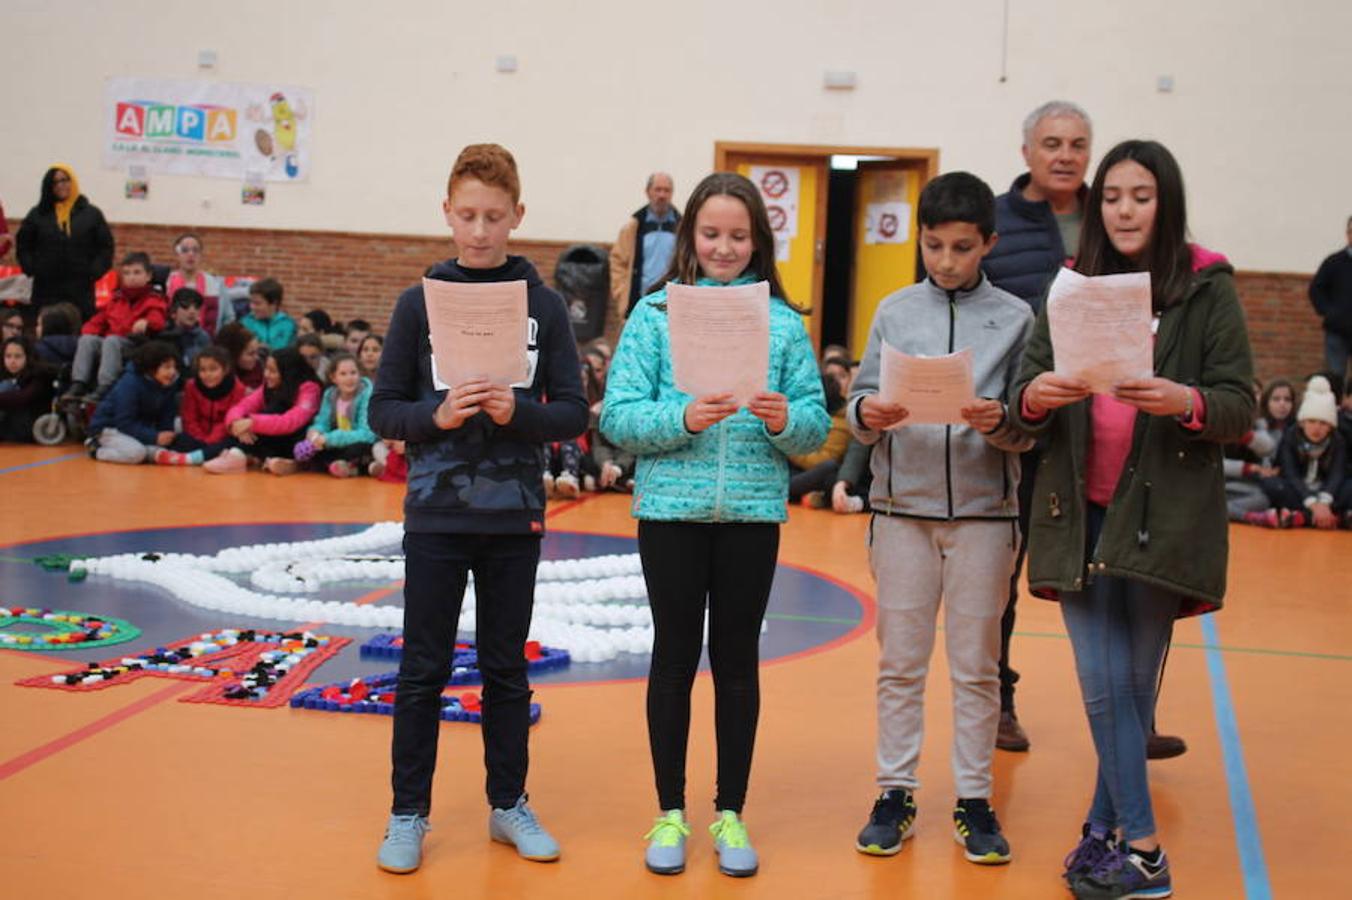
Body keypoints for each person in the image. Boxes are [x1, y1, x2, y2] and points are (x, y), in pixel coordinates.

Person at [1009, 139, 1254, 899]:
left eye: (1140, 196)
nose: (1122, 209)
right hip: (1074, 511)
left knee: (1129, 689)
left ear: (1165, 201)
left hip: (1163, 517)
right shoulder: (1073, 284)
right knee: (1102, 683)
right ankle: (1137, 845)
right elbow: (1025, 388)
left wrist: (1185, 402)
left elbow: (1238, 406)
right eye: (1111, 195)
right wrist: (1039, 395)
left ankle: (1106, 837)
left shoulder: (1207, 287)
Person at [601, 172, 830, 879]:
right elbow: (616, 417)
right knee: (673, 659)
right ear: (688, 239)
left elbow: (817, 428)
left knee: (736, 665)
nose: (724, 248)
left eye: (738, 235)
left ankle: (731, 812)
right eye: (711, 234)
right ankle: (669, 812)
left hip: (752, 517)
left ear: (757, 240)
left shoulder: (785, 325)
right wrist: (682, 418)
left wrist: (785, 419)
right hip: (669, 514)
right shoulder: (654, 315)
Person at [367, 143, 588, 874]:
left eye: (495, 217)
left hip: (513, 517)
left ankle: (508, 804)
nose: (481, 230)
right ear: (447, 214)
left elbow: (573, 415)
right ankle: (407, 815)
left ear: (517, 217)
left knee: (505, 669)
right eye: (467, 215)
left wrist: (517, 410)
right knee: (423, 670)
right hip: (434, 515)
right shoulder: (415, 305)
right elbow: (383, 412)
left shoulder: (546, 307)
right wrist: (439, 415)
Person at [847, 172, 1033, 866]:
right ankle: (894, 792)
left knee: (977, 668)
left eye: (961, 247)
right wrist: (870, 414)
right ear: (919, 240)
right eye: (933, 246)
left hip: (986, 518)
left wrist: (1003, 423)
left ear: (989, 242)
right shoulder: (894, 311)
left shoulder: (1015, 318)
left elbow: (1031, 428)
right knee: (900, 663)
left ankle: (976, 800)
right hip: (901, 513)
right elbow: (859, 406)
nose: (946, 261)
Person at [981, 100, 1094, 753]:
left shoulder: (1109, 221)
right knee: (1003, 577)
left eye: (1077, 144)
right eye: (1051, 142)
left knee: (1114, 573)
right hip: (1018, 434)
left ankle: (1132, 707)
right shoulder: (996, 223)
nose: (1064, 155)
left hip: (1099, 434)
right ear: (1026, 151)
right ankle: (998, 699)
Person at [15, 165, 114, 319]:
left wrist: (93, 272)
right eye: (55, 182)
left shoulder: (91, 214)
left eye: (65, 180)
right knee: (47, 330)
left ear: (72, 181)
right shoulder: (37, 214)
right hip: (46, 288)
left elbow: (106, 247)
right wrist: (32, 268)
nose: (61, 185)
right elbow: (23, 245)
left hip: (80, 289)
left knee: (79, 332)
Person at [66, 252, 168, 401]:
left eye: (137, 272)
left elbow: (158, 320)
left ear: (148, 276)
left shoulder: (154, 299)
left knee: (111, 341)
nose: (131, 277)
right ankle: (78, 383)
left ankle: (105, 385)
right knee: (87, 340)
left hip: (135, 343)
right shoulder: (116, 299)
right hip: (111, 342)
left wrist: (147, 323)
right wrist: (88, 332)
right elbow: (98, 321)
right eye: (127, 273)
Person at [205, 347, 321, 475]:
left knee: (275, 409)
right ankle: (239, 455)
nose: (266, 374)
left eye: (273, 371)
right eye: (266, 369)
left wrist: (252, 423)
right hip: (275, 441)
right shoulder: (270, 386)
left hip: (298, 440)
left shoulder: (309, 389)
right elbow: (242, 406)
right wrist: (235, 422)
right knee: (247, 425)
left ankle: (237, 455)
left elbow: (290, 422)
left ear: (288, 372)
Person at [1257, 375, 1350, 528]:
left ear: (1331, 426)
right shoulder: (1291, 437)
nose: (1317, 428)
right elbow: (1290, 473)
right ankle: (1332, 518)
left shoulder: (1338, 440)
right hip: (1299, 492)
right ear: (1302, 422)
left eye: (1323, 423)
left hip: (1328, 493)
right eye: (1312, 421)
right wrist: (1313, 504)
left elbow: (1337, 473)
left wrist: (1324, 502)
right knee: (1272, 485)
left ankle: (1304, 517)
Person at [84, 340, 180, 464]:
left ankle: (148, 449)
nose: (172, 372)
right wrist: (154, 437)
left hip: (141, 425)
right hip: (110, 427)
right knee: (136, 454)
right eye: (167, 367)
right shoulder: (130, 383)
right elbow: (124, 422)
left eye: (174, 367)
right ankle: (96, 449)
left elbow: (168, 413)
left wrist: (167, 435)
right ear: (151, 368)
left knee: (179, 424)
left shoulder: (168, 383)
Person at [609, 172, 681, 328]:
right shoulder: (633, 228)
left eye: (667, 190)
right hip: (639, 305)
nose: (662, 195)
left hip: (672, 307)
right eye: (658, 189)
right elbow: (617, 261)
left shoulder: (682, 228)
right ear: (648, 192)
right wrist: (622, 295)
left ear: (672, 194)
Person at [153, 345, 245, 466]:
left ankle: (191, 458)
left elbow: (230, 421)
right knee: (180, 440)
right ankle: (208, 455)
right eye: (202, 370)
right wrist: (201, 438)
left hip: (223, 436)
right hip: (197, 437)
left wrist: (211, 440)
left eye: (213, 369)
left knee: (235, 442)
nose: (207, 374)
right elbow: (189, 418)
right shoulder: (191, 386)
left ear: (226, 369)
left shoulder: (237, 388)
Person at [298, 352, 376, 477]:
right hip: (336, 442)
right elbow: (323, 422)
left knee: (360, 449)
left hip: (357, 441)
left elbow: (367, 434)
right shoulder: (330, 395)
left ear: (359, 374)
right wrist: (315, 432)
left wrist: (329, 439)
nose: (349, 378)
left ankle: (351, 468)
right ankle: (338, 465)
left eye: (353, 373)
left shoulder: (367, 394)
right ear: (333, 378)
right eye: (343, 374)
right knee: (308, 441)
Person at [1224, 379, 1282, 522]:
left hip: (1246, 485)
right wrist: (1248, 468)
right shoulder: (1219, 423)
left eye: (1255, 393)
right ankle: (1252, 517)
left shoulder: (1260, 423)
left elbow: (1268, 448)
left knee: (1264, 498)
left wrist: (1243, 433)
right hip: (1219, 482)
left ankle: (1227, 512)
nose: (1251, 397)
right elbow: (1216, 463)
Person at [1309, 216, 1352, 384]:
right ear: (1347, 234)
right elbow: (1316, 289)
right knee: (1335, 377)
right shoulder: (1333, 262)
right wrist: (1329, 312)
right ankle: (1336, 409)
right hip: (1337, 331)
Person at [164, 233, 234, 336]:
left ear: (201, 255)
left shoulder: (216, 285)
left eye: (195, 250)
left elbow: (228, 318)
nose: (190, 254)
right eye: (184, 250)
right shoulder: (166, 283)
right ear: (176, 255)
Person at [0, 337, 54, 442]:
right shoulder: (6, 374)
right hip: (11, 422)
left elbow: (23, 397)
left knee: (7, 386)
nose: (12, 361)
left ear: (28, 357)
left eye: (18, 356)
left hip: (28, 424)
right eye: (8, 356)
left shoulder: (39, 375)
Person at [240, 278, 296, 351]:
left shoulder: (288, 324)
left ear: (273, 304)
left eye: (257, 303)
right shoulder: (245, 323)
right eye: (251, 302)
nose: (252, 307)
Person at [161, 289, 211, 368]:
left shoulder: (203, 337)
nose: (192, 311)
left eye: (196, 307)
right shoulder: (162, 335)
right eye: (185, 306)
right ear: (173, 312)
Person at [215, 322, 264, 390]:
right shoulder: (220, 378)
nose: (257, 357)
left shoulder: (260, 368)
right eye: (250, 354)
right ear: (234, 355)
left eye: (257, 351)